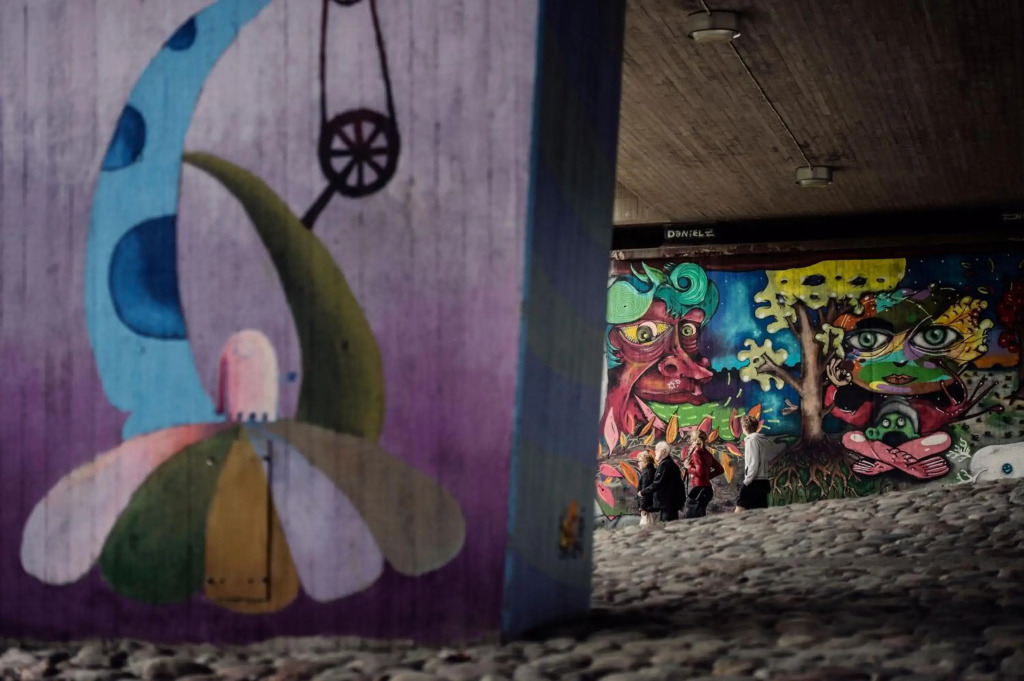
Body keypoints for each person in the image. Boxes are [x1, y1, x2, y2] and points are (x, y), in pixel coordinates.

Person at [639, 441, 685, 522]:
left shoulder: (665, 465)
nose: (655, 452)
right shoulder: (670, 464)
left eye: (656, 450)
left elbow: (657, 483)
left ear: (663, 451)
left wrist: (643, 492)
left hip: (667, 503)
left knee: (667, 525)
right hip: (670, 503)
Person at [683, 429, 724, 518]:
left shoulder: (696, 453)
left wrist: (688, 467)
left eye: (691, 438)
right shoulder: (707, 453)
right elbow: (720, 469)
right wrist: (707, 476)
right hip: (707, 489)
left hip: (699, 488)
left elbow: (699, 472)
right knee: (700, 514)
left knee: (692, 515)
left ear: (694, 439)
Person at [735, 415, 771, 513]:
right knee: (760, 512)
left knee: (740, 508)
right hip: (763, 481)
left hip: (754, 481)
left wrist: (747, 481)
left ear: (744, 427)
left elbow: (754, 462)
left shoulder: (752, 440)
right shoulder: (761, 440)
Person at [636, 450, 658, 526]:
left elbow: (645, 491)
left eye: (639, 461)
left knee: (646, 529)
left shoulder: (647, 473)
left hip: (648, 509)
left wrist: (643, 508)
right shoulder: (653, 471)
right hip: (652, 507)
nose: (638, 463)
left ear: (646, 462)